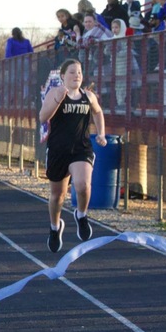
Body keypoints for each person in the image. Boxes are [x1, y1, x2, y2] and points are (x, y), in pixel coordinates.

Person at [38, 58, 106, 253]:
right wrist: (59, 98)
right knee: (57, 196)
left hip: (81, 148)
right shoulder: (55, 93)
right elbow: (43, 117)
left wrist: (101, 133)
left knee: (82, 185)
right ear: (62, 76)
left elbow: (98, 112)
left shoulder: (89, 96)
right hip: (59, 150)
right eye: (72, 72)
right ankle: (54, 227)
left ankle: (81, 215)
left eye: (79, 72)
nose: (76, 75)